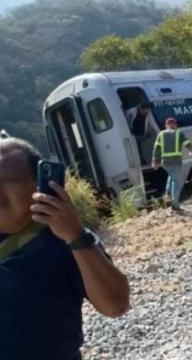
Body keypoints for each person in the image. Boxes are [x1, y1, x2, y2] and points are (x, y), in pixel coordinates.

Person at [0, 138, 130, 360]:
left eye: (6, 180)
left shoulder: (64, 239)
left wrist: (75, 236)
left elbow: (115, 306)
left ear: (40, 185)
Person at [152, 118, 192, 211]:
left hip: (165, 162)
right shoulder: (179, 133)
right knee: (176, 182)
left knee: (171, 175)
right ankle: (175, 204)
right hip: (176, 161)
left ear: (166, 125)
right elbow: (187, 143)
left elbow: (156, 148)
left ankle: (168, 193)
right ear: (175, 125)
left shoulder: (161, 134)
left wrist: (155, 161)